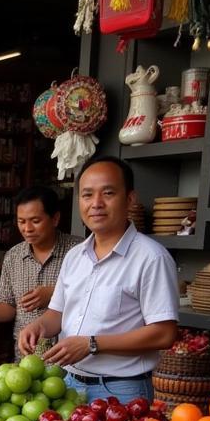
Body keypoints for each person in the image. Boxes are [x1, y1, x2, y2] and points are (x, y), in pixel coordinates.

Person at [17, 156, 179, 403]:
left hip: (121, 391)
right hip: (67, 385)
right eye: (87, 195)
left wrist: (92, 344)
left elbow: (164, 334)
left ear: (130, 199)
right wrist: (37, 327)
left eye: (108, 193)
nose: (96, 204)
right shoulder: (74, 256)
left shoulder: (151, 257)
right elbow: (57, 314)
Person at [0, 186, 81, 352]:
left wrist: (55, 293)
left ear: (55, 219)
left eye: (35, 221)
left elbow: (96, 296)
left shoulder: (79, 251)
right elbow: (8, 307)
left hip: (68, 356)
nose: (27, 229)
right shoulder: (13, 256)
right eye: (21, 221)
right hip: (25, 358)